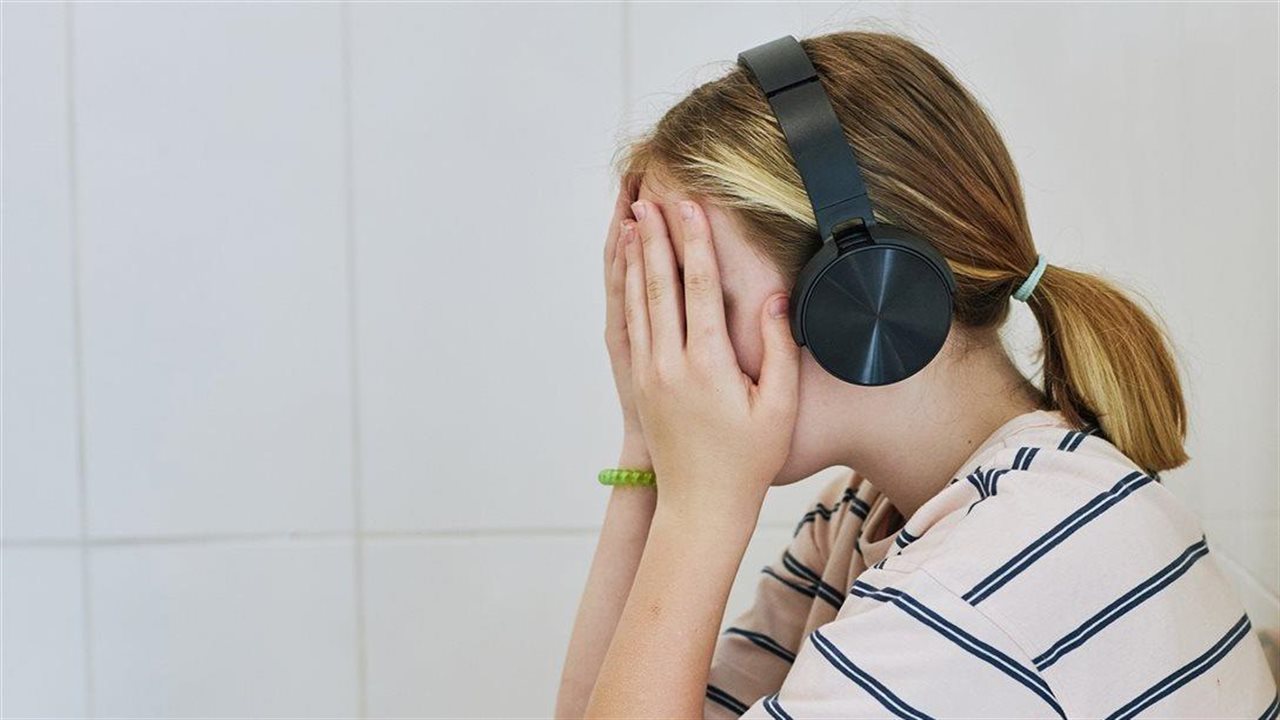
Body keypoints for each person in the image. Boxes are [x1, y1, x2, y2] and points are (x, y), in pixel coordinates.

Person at [555, 29, 1278, 720]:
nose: (667, 348)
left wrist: (700, 511)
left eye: (696, 293)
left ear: (859, 293)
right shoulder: (865, 518)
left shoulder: (995, 576)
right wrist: (646, 443)